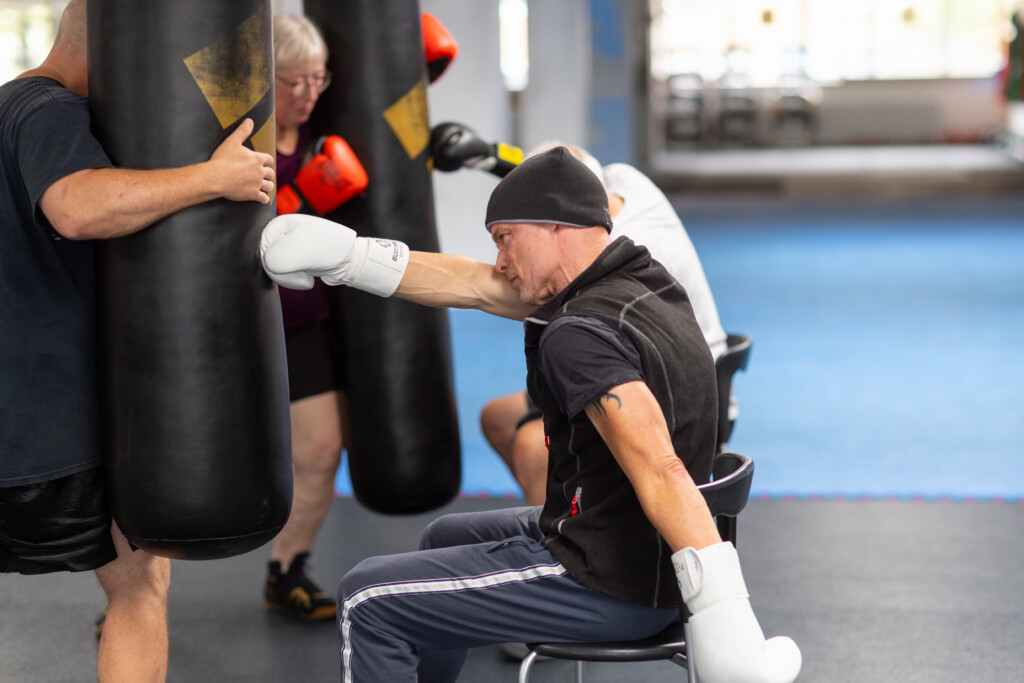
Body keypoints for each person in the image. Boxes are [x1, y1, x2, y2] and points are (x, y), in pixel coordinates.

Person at [259, 147, 801, 683]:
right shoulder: (642, 281)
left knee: (365, 598)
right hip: (639, 553)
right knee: (444, 538)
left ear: (554, 226)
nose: (499, 261)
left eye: (504, 239)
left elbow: (661, 470)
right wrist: (349, 257)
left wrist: (724, 612)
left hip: (609, 581)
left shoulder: (580, 335)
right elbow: (474, 285)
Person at [0, 1, 275, 681]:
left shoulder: (7, 108)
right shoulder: (48, 109)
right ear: (122, 47)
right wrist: (213, 178)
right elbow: (77, 206)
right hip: (46, 421)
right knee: (139, 588)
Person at [479, 142, 729, 504]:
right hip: (654, 355)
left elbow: (664, 473)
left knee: (533, 448)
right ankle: (568, 504)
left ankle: (563, 532)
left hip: (676, 383)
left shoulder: (624, 252)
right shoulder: (626, 180)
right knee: (497, 417)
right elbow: (565, 171)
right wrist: (492, 156)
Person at [259, 12, 345, 622]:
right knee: (185, 453)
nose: (310, 93)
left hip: (306, 322)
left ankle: (287, 569)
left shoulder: (326, 130)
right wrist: (294, 200)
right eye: (296, 81)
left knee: (320, 449)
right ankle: (135, 594)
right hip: (235, 328)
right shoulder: (238, 136)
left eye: (319, 79)